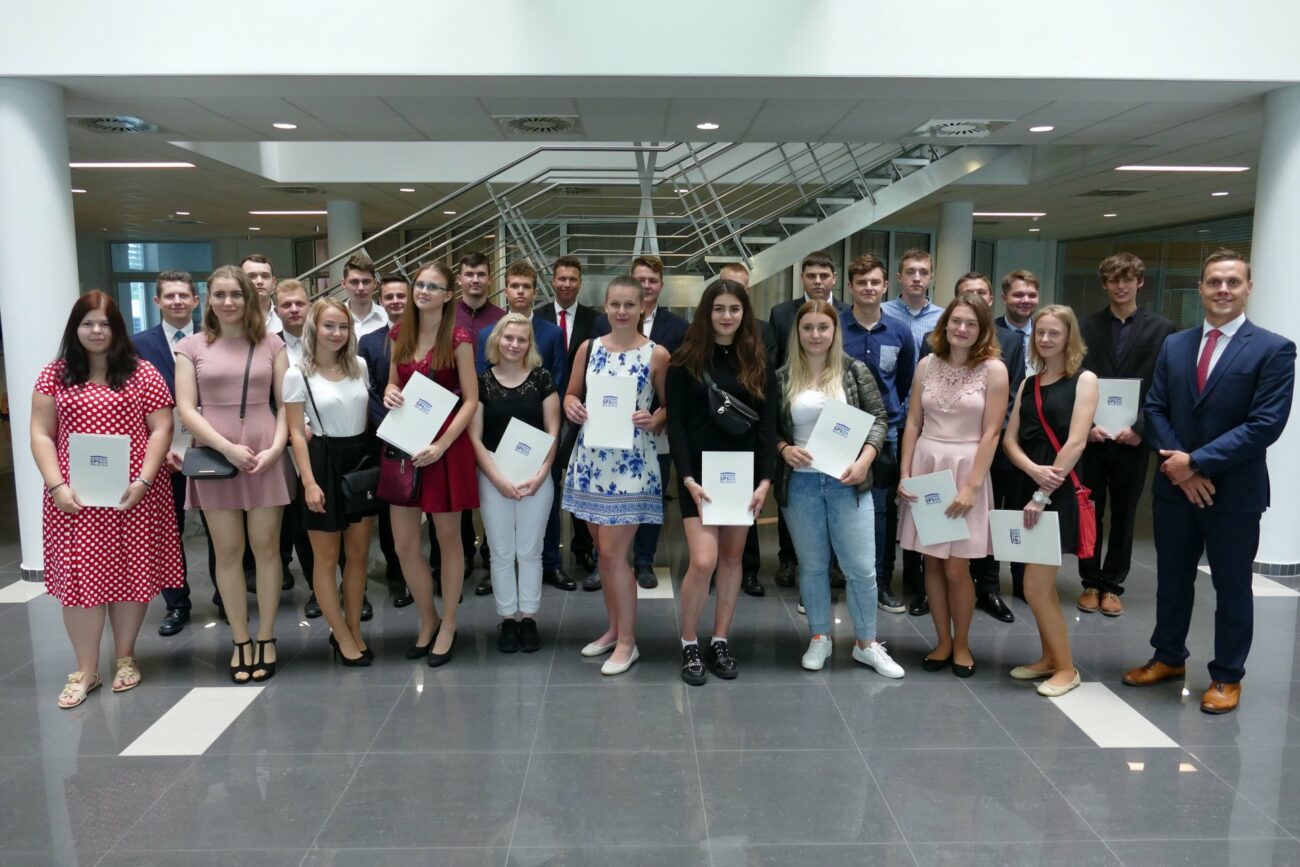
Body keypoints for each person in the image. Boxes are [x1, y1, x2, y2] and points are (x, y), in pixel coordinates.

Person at [1123, 249, 1296, 715]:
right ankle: (1168, 657)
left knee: (1232, 587)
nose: (1223, 289)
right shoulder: (1175, 345)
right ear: (1200, 287)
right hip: (1174, 490)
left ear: (1248, 288)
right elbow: (1155, 409)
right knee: (1171, 580)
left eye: (1232, 282)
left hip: (1233, 493)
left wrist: (1195, 463)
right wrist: (1181, 471)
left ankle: (1227, 675)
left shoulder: (1273, 349)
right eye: (1214, 281)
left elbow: (1265, 424)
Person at [32, 292, 184, 708]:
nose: (97, 331)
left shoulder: (143, 373)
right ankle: (86, 669)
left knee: (131, 573)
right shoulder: (54, 376)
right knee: (80, 579)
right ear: (75, 329)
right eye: (88, 324)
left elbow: (162, 428)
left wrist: (144, 480)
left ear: (117, 329)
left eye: (105, 324)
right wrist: (56, 486)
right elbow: (41, 433)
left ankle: (125, 657)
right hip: (74, 499)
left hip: (133, 494)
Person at [774, 300, 903, 677]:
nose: (815, 335)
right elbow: (771, 430)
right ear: (797, 333)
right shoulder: (782, 377)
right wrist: (783, 449)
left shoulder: (854, 370)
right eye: (807, 328)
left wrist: (865, 460)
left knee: (861, 568)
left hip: (848, 481)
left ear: (835, 332)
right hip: (801, 483)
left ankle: (867, 644)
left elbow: (879, 419)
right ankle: (820, 637)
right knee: (813, 566)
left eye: (823, 328)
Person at [176, 265, 290, 684]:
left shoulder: (272, 343)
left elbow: (286, 404)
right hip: (215, 452)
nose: (228, 302)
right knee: (227, 552)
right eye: (220, 294)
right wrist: (225, 448)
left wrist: (276, 448)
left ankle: (266, 636)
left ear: (249, 298)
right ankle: (241, 639)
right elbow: (186, 408)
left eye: (236, 294)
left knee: (266, 550)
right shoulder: (190, 346)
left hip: (264, 450)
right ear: (208, 299)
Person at [668, 279, 776, 685]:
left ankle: (719, 640)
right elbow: (676, 426)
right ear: (706, 312)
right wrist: (687, 477)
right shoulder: (685, 360)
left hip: (741, 475)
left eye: (734, 308)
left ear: (744, 313)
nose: (727, 316)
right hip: (698, 476)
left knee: (732, 560)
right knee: (703, 561)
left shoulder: (757, 361)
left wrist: (764, 480)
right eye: (719, 309)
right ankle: (689, 643)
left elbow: (767, 426)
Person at [562, 275, 670, 676]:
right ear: (605, 306)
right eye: (615, 304)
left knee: (612, 555)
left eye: (629, 304)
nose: (622, 311)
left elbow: (669, 408)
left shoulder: (657, 354)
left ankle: (628, 642)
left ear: (643, 307)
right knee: (604, 556)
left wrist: (654, 418)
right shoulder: (589, 348)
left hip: (632, 465)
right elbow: (571, 393)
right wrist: (572, 406)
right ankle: (613, 629)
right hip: (591, 461)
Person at [897, 293, 1009, 678]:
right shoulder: (926, 364)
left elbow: (992, 432)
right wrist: (905, 473)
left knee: (958, 568)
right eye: (956, 321)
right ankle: (942, 640)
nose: (962, 329)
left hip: (967, 468)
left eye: (971, 324)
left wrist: (973, 487)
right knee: (931, 561)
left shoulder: (994, 370)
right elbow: (913, 422)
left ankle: (961, 644)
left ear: (983, 330)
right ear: (945, 325)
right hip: (927, 466)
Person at [383, 260, 480, 667]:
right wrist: (389, 391)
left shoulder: (458, 337)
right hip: (405, 443)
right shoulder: (399, 334)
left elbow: (471, 400)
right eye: (419, 284)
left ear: (447, 295)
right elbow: (393, 381)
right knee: (405, 545)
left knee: (448, 540)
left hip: (445, 447)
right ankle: (428, 619)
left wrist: (442, 445)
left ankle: (450, 623)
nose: (423, 291)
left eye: (432, 286)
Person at [1002, 305, 1099, 697]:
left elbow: (1076, 442)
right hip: (1028, 485)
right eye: (1039, 332)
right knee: (1034, 585)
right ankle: (1047, 658)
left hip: (1054, 492)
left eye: (1053, 333)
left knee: (1036, 587)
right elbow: (1010, 439)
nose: (1044, 339)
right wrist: (1032, 471)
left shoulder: (1085, 380)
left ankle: (1066, 669)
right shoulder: (1030, 383)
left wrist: (1043, 491)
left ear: (1069, 336)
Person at [1077, 253, 1175, 617]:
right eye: (1114, 280)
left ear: (1140, 282)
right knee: (1089, 510)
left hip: (1132, 441)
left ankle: (1112, 585)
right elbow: (1074, 379)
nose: (1121, 286)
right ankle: (1089, 582)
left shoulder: (1163, 330)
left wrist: (1141, 430)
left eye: (1128, 279)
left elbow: (1165, 386)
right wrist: (1086, 427)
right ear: (1104, 284)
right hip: (1092, 438)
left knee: (1125, 514)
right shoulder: (1085, 327)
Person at [284, 297, 380, 666]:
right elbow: (296, 432)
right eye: (329, 326)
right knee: (325, 559)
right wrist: (308, 483)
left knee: (358, 555)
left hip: (359, 461)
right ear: (314, 328)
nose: (337, 333)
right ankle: (339, 633)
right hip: (321, 463)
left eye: (343, 326)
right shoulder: (297, 373)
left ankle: (353, 628)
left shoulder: (359, 366)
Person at [592, 255, 687, 590]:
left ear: (659, 286)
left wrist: (658, 416)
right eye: (640, 279)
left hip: (649, 436)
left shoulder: (676, 328)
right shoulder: (598, 332)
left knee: (651, 499)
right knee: (606, 516)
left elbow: (677, 389)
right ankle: (605, 561)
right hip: (602, 440)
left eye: (652, 280)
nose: (646, 286)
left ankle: (644, 560)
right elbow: (583, 387)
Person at [470, 314, 560, 653]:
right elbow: (475, 437)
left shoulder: (542, 379)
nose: (514, 344)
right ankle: (507, 618)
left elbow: (553, 430)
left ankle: (529, 618)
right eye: (509, 338)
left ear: (529, 344)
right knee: (501, 551)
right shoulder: (482, 382)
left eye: (522, 339)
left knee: (530, 550)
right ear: (497, 339)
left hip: (536, 475)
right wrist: (496, 479)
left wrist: (542, 472)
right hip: (494, 474)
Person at [767, 251, 849, 590]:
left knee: (837, 510)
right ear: (802, 278)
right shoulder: (781, 313)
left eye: (823, 275)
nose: (817, 281)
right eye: (811, 275)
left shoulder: (846, 313)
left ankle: (834, 566)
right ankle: (789, 559)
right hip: (796, 415)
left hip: (836, 420)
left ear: (833, 279)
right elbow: (775, 363)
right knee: (793, 498)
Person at [131, 270, 206, 636]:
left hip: (209, 449)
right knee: (168, 532)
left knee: (222, 529)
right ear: (157, 301)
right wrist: (157, 451)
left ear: (196, 300)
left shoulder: (214, 337)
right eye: (170, 296)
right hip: (163, 456)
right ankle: (177, 603)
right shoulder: (137, 345)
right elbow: (132, 402)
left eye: (184, 295)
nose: (177, 301)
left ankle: (227, 598)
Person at [839, 254, 916, 614]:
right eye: (861, 282)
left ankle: (881, 581)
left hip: (885, 433)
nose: (868, 288)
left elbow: (904, 380)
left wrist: (889, 414)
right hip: (839, 430)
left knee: (880, 510)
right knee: (835, 505)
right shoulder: (836, 326)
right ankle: (835, 578)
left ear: (885, 286)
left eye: (874, 282)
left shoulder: (900, 332)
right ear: (850, 287)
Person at [949, 272, 1027, 624]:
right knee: (945, 518)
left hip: (994, 444)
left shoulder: (1009, 341)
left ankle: (989, 587)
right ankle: (931, 588)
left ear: (991, 298)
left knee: (987, 521)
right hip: (951, 446)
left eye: (981, 293)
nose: (975, 298)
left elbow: (1013, 395)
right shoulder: (942, 341)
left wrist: (994, 436)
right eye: (968, 293)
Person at [881, 248, 944, 616]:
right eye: (910, 271)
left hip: (932, 429)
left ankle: (919, 578)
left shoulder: (945, 319)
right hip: (893, 424)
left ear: (931, 277)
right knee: (889, 505)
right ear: (899, 277)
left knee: (925, 503)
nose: (917, 277)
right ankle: (885, 575)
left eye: (923, 272)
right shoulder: (883, 314)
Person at [534, 256, 598, 590]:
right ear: (552, 282)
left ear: (580, 283)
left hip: (583, 415)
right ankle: (549, 558)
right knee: (548, 486)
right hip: (540, 417)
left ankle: (583, 548)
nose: (567, 284)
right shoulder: (538, 318)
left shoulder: (595, 320)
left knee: (580, 484)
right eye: (562, 278)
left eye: (573, 279)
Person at [272, 279, 332, 619]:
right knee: (303, 522)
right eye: (286, 305)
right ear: (276, 310)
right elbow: (268, 399)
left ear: (309, 305)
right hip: (291, 448)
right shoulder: (269, 347)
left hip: (332, 443)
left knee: (339, 518)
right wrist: (297, 428)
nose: (294, 309)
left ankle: (352, 589)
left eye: (299, 303)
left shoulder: (329, 338)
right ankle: (317, 590)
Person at [717, 261, 777, 598]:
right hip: (712, 431)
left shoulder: (763, 330)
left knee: (746, 506)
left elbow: (764, 380)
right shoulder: (702, 332)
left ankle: (749, 570)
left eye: (739, 287)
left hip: (747, 430)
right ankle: (717, 567)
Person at [360, 273, 417, 607]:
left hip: (430, 438)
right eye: (389, 297)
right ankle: (399, 577)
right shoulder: (368, 342)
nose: (396, 301)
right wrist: (393, 429)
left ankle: (436, 570)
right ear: (381, 301)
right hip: (387, 439)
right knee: (391, 510)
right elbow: (367, 391)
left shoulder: (428, 336)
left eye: (401, 296)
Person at [451, 251, 503, 596]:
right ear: (459, 279)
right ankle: (463, 553)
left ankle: (490, 554)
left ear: (489, 278)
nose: (475, 280)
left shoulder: (501, 319)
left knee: (490, 484)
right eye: (469, 274)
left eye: (481, 274)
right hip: (453, 412)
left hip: (493, 411)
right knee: (458, 486)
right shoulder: (446, 316)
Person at [341, 253, 388, 339]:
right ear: (344, 284)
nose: (361, 288)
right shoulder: (334, 318)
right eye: (354, 282)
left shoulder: (387, 318)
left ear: (375, 283)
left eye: (366, 282)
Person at [241, 253, 281, 334]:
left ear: (273, 283)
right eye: (252, 276)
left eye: (265, 276)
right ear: (240, 282)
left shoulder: (284, 318)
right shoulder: (231, 320)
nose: (259, 281)